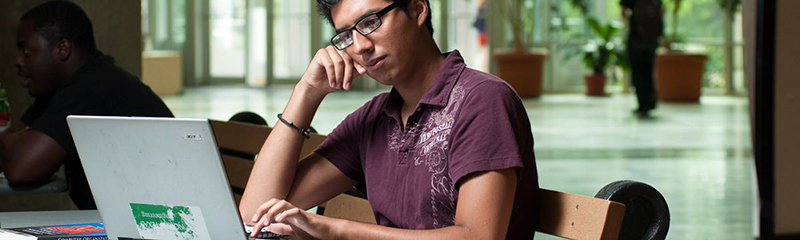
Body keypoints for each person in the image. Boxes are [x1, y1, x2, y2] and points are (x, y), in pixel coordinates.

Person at [239, 0, 538, 239]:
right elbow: (255, 215)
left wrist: (336, 230)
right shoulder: (374, 119)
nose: (360, 47)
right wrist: (306, 94)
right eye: (346, 36)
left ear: (418, 9)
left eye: (370, 22)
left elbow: (478, 237)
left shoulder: (482, 100)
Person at [0, 0, 174, 209]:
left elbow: (21, 169)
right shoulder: (64, 87)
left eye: (26, 51)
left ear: (62, 49)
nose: (18, 61)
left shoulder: (91, 87)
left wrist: (14, 141)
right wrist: (14, 142)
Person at [621, 0, 664, 118]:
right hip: (651, 40)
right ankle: (650, 102)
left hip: (636, 39)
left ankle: (642, 103)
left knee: (638, 72)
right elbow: (661, 11)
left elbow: (624, 12)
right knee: (648, 70)